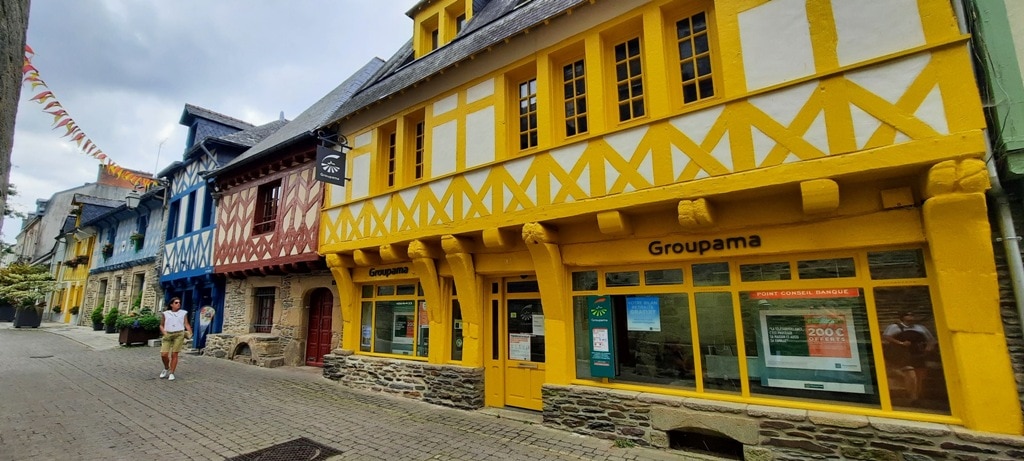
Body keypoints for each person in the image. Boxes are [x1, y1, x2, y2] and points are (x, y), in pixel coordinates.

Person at [882, 311, 936, 402]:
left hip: (918, 353)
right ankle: (912, 396)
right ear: (902, 317)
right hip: (903, 354)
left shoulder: (921, 328)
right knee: (911, 375)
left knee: (920, 377)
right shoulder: (894, 327)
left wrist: (928, 348)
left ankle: (917, 395)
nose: (911, 317)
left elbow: (931, 340)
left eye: (912, 315)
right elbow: (886, 337)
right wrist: (901, 343)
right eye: (908, 315)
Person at [159, 297, 193, 381]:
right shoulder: (166, 313)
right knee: (164, 354)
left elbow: (186, 324)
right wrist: (164, 332)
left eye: (179, 302)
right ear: (171, 304)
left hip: (179, 334)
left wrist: (190, 332)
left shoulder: (183, 313)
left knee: (174, 354)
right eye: (176, 302)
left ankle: (172, 373)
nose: (178, 304)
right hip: (168, 334)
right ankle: (166, 367)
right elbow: (161, 325)